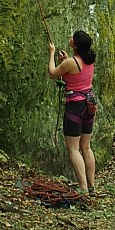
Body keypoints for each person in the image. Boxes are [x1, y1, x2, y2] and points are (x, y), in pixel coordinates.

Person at [48, 30, 96, 194]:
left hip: (75, 107)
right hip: (89, 105)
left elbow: (53, 73)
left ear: (75, 44)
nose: (69, 39)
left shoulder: (71, 62)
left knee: (74, 149)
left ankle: (83, 188)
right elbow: (77, 74)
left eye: (72, 38)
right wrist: (66, 59)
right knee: (86, 147)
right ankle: (91, 186)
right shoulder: (88, 60)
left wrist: (52, 53)